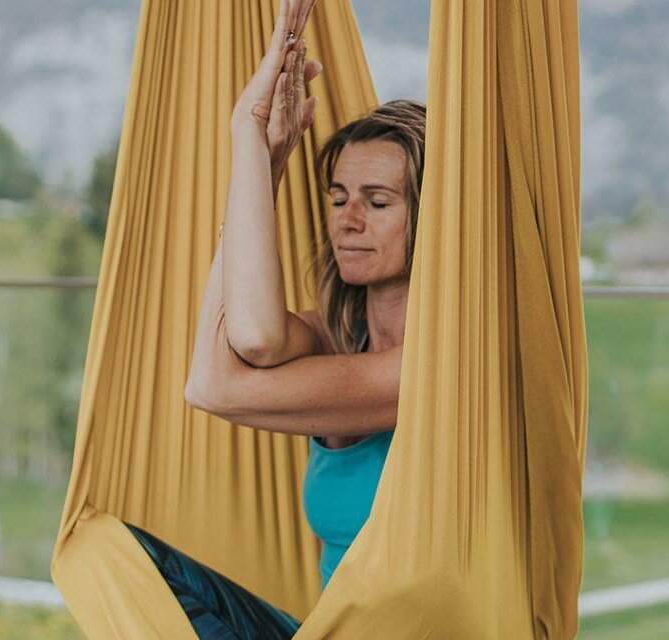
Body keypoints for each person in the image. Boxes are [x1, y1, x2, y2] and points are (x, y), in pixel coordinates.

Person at [122, 1, 425, 637]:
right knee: (120, 555)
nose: (347, 219)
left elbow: (212, 386)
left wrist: (247, 136)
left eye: (377, 201)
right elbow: (252, 338)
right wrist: (261, 152)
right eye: (339, 198)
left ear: (429, 219)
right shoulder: (335, 339)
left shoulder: (432, 369)